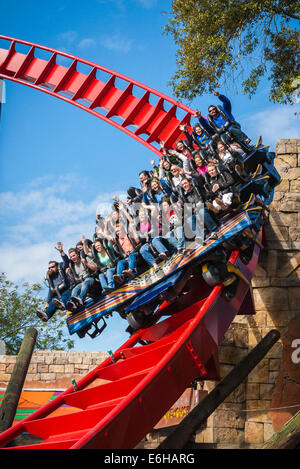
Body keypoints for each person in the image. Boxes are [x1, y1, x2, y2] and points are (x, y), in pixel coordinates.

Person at [36, 242, 72, 322]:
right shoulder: (50, 277)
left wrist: (61, 251)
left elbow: (66, 261)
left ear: (56, 266)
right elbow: (50, 290)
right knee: (53, 301)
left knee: (64, 295)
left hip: (68, 290)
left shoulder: (61, 268)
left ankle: (63, 304)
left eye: (52, 267)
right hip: (58, 295)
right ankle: (46, 315)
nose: (50, 269)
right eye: (49, 268)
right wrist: (47, 302)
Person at [179, 177, 219, 243]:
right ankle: (200, 236)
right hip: (195, 212)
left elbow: (205, 198)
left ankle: (213, 231)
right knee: (189, 219)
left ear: (190, 183)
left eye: (185, 183)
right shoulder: (184, 196)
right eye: (183, 184)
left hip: (204, 207)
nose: (184, 185)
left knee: (201, 211)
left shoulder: (197, 188)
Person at [66, 247, 96, 312]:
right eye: (71, 257)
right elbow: (74, 281)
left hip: (90, 279)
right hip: (81, 282)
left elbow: (95, 268)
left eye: (74, 255)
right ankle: (73, 304)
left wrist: (86, 263)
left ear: (78, 255)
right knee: (75, 289)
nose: (73, 258)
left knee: (85, 283)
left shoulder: (86, 259)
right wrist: (69, 274)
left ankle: (80, 299)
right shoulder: (73, 266)